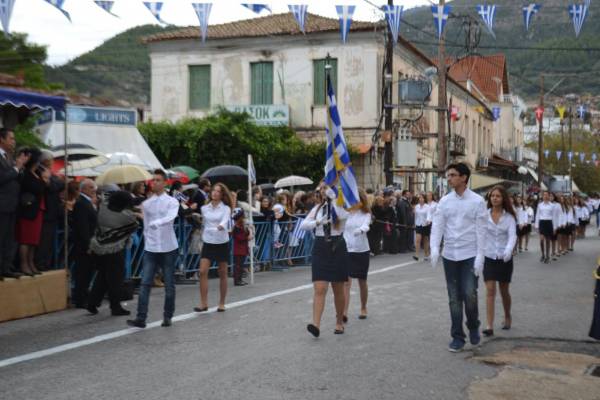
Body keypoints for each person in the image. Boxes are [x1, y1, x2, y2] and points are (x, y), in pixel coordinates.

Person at [430, 162, 487, 352]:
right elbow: (437, 226)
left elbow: (481, 231)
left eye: (453, 175)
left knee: (469, 294)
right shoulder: (445, 201)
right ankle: (457, 336)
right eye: (448, 175)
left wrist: (480, 256)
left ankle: (473, 325)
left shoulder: (478, 201)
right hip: (450, 255)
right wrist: (434, 249)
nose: (449, 178)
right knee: (454, 297)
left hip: (469, 254)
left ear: (463, 177)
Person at [127, 170, 180, 328]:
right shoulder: (146, 204)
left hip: (168, 247)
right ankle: (141, 318)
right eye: (153, 180)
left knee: (169, 284)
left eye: (158, 180)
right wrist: (148, 236)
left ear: (165, 183)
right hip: (151, 248)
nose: (154, 182)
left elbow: (171, 217)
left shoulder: (172, 202)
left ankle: (167, 316)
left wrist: (159, 223)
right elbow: (146, 225)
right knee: (145, 283)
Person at [300, 184, 349, 337]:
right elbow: (303, 225)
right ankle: (316, 325)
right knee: (320, 288)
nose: (322, 191)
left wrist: (333, 199)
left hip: (337, 245)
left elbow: (342, 216)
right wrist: (318, 222)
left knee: (338, 289)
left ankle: (339, 322)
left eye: (325, 187)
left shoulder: (341, 205)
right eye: (321, 188)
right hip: (321, 246)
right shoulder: (318, 208)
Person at [87, 190, 140, 316]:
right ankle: (115, 306)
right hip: (115, 249)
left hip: (99, 246)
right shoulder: (124, 217)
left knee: (103, 276)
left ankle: (92, 302)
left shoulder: (104, 209)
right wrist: (137, 214)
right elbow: (133, 225)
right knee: (115, 278)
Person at [481, 186, 517, 337]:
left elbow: (512, 236)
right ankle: (489, 325)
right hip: (488, 257)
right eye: (492, 196)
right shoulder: (484, 215)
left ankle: (507, 315)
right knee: (490, 290)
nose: (494, 198)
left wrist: (508, 251)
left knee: (504, 291)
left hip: (504, 258)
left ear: (503, 199)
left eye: (498, 196)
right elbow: (480, 234)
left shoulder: (509, 218)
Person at [194, 182, 233, 313]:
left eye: (218, 191)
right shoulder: (205, 208)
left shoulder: (225, 208)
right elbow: (203, 222)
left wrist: (221, 226)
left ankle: (222, 303)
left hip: (222, 241)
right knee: (203, 271)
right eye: (213, 191)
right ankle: (203, 303)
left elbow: (225, 220)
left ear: (222, 194)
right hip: (208, 241)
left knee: (222, 272)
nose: (215, 193)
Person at [0, 128, 30, 280]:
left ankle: (6, 267)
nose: (14, 141)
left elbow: (15, 178)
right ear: (2, 139)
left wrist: (21, 168)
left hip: (12, 205)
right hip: (2, 205)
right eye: (11, 138)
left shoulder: (9, 157)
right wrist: (17, 168)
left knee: (9, 239)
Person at [16, 147, 50, 276]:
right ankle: (24, 264)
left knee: (34, 240)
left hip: (38, 210)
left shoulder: (37, 173)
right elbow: (34, 188)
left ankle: (31, 262)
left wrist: (44, 180)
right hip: (28, 210)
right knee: (26, 239)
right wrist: (44, 181)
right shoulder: (26, 174)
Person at [343, 189, 371, 321]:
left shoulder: (366, 214)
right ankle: (344, 312)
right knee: (346, 282)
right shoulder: (345, 213)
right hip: (347, 250)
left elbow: (366, 226)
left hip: (361, 250)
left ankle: (363, 307)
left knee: (362, 282)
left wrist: (360, 230)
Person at [71, 179, 98, 308]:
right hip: (84, 245)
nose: (94, 190)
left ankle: (83, 296)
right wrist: (88, 244)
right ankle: (80, 298)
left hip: (88, 243)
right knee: (83, 272)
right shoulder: (81, 203)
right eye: (91, 188)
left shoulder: (87, 202)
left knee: (87, 271)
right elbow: (83, 227)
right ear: (84, 189)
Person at [35, 150, 63, 271]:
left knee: (49, 241)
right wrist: (58, 182)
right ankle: (40, 263)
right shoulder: (40, 170)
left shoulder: (51, 173)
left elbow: (59, 184)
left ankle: (46, 262)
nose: (52, 162)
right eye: (51, 160)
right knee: (44, 240)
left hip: (52, 211)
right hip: (46, 211)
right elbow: (53, 186)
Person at [534, 191, 558, 264]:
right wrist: (536, 225)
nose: (545, 196)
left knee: (548, 240)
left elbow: (554, 217)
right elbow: (537, 215)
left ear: (549, 196)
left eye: (547, 195)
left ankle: (547, 256)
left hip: (549, 222)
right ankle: (543, 255)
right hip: (542, 222)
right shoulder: (540, 205)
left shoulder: (552, 205)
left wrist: (555, 227)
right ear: (542, 196)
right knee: (541, 240)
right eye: (544, 195)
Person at [232, 208, 251, 286]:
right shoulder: (236, 227)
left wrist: (249, 230)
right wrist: (247, 237)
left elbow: (246, 234)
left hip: (243, 248)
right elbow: (239, 238)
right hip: (239, 248)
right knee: (238, 265)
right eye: (243, 217)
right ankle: (237, 280)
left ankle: (239, 279)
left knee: (241, 265)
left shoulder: (242, 226)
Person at [413, 193, 431, 262]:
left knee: (425, 241)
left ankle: (426, 254)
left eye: (422, 198)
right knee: (418, 240)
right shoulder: (416, 206)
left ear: (424, 199)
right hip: (418, 224)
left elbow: (429, 214)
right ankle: (416, 255)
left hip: (425, 225)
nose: (421, 199)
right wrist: (414, 223)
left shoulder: (427, 206)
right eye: (420, 198)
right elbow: (416, 216)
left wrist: (428, 220)